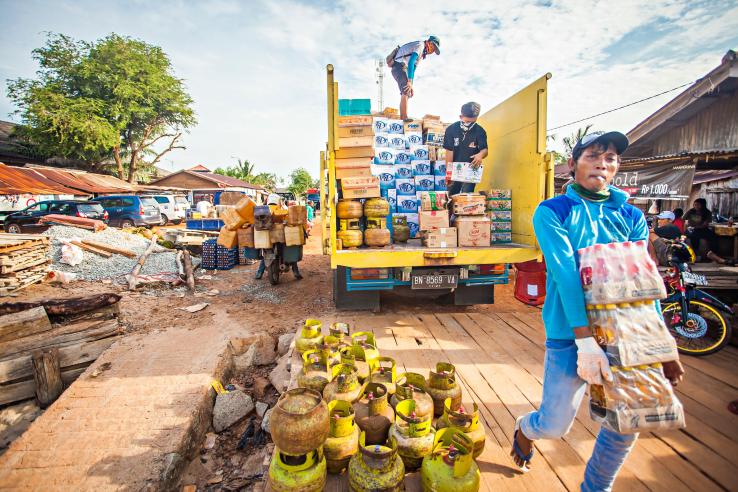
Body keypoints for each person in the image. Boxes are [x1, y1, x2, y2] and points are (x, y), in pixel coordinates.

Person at [511, 131, 685, 490]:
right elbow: (566, 273)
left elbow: (644, 285)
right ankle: (526, 429)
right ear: (573, 164)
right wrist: (585, 341)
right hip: (569, 333)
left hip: (629, 336)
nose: (603, 164)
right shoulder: (554, 211)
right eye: (593, 156)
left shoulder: (630, 215)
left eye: (611, 158)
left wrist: (664, 347)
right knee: (555, 424)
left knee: (626, 424)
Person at [388, 36, 440, 120]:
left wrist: (411, 84)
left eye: (435, 50)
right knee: (405, 91)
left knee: (407, 91)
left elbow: (413, 69)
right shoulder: (420, 45)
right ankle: (404, 118)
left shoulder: (422, 54)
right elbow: (411, 62)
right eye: (434, 47)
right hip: (399, 65)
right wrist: (409, 82)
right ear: (429, 43)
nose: (433, 51)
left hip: (402, 68)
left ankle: (403, 117)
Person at [444, 102, 488, 196]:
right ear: (461, 116)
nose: (468, 124)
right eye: (466, 121)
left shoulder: (480, 131)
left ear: (476, 118)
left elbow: (485, 150)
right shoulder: (451, 130)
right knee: (451, 197)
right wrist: (449, 174)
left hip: (471, 170)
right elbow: (449, 153)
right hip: (455, 170)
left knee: (466, 198)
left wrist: (480, 155)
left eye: (472, 122)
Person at [255, 193, 303, 280]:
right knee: (288, 251)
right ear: (279, 201)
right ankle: (296, 272)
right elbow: (289, 220)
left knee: (267, 252)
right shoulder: (283, 208)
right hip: (280, 237)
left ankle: (259, 273)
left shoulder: (262, 209)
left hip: (268, 237)